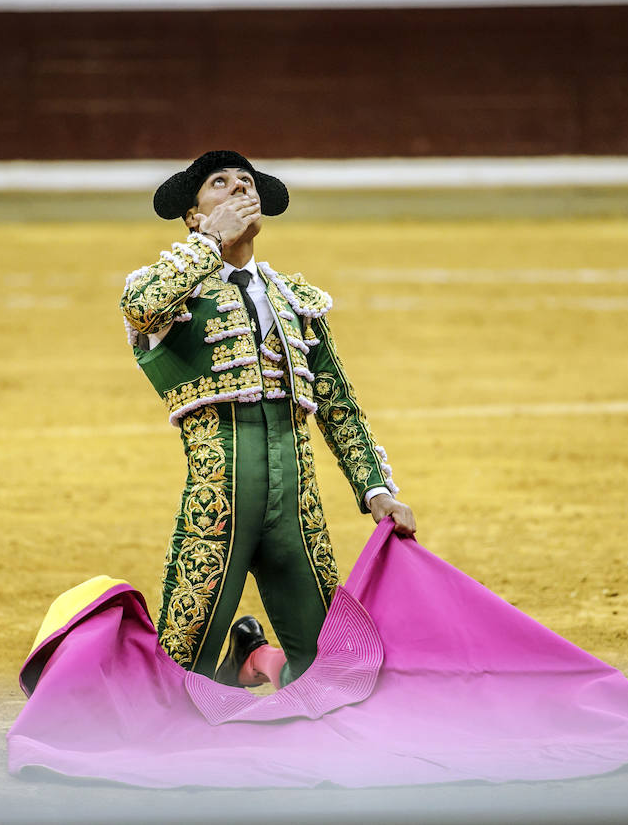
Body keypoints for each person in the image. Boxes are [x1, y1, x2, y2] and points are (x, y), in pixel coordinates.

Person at [119, 150, 416, 689]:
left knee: (336, 672)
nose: (238, 190)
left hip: (296, 508)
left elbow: (337, 404)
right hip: (219, 508)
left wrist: (377, 491)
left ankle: (256, 658)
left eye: (246, 183)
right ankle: (245, 661)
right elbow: (140, 306)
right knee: (174, 680)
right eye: (219, 183)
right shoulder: (167, 288)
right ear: (193, 214)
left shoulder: (294, 299)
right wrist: (209, 244)